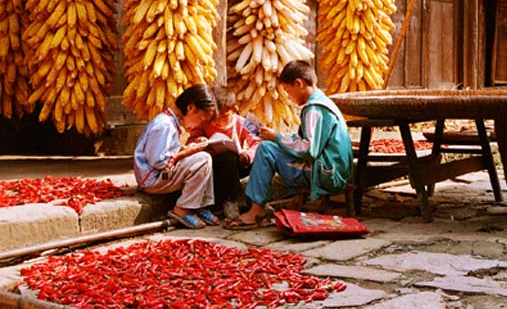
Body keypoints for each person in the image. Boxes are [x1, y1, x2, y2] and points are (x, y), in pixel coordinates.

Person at [222, 60, 354, 229]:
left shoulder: (314, 109)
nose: (288, 96)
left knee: (266, 149)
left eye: (287, 90)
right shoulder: (323, 102)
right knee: (270, 147)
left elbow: (308, 149)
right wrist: (280, 137)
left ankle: (256, 210)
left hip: (326, 173)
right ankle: (261, 205)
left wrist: (276, 137)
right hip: (333, 168)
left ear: (298, 83)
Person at [133, 84, 220, 229]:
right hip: (153, 180)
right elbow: (159, 161)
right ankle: (183, 209)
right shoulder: (164, 125)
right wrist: (185, 152)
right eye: (200, 119)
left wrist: (186, 148)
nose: (200, 124)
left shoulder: (171, 123)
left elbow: (168, 151)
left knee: (202, 157)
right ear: (191, 108)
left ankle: (199, 205)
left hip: (161, 175)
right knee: (203, 160)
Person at [189, 85, 261, 219]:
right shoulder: (202, 124)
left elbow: (257, 142)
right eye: (214, 118)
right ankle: (231, 201)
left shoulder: (244, 122)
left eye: (224, 117)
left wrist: (248, 155)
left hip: (238, 165)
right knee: (227, 158)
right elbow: (190, 142)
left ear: (234, 110)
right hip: (216, 169)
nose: (219, 122)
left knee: (263, 155)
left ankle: (257, 200)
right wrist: (200, 142)